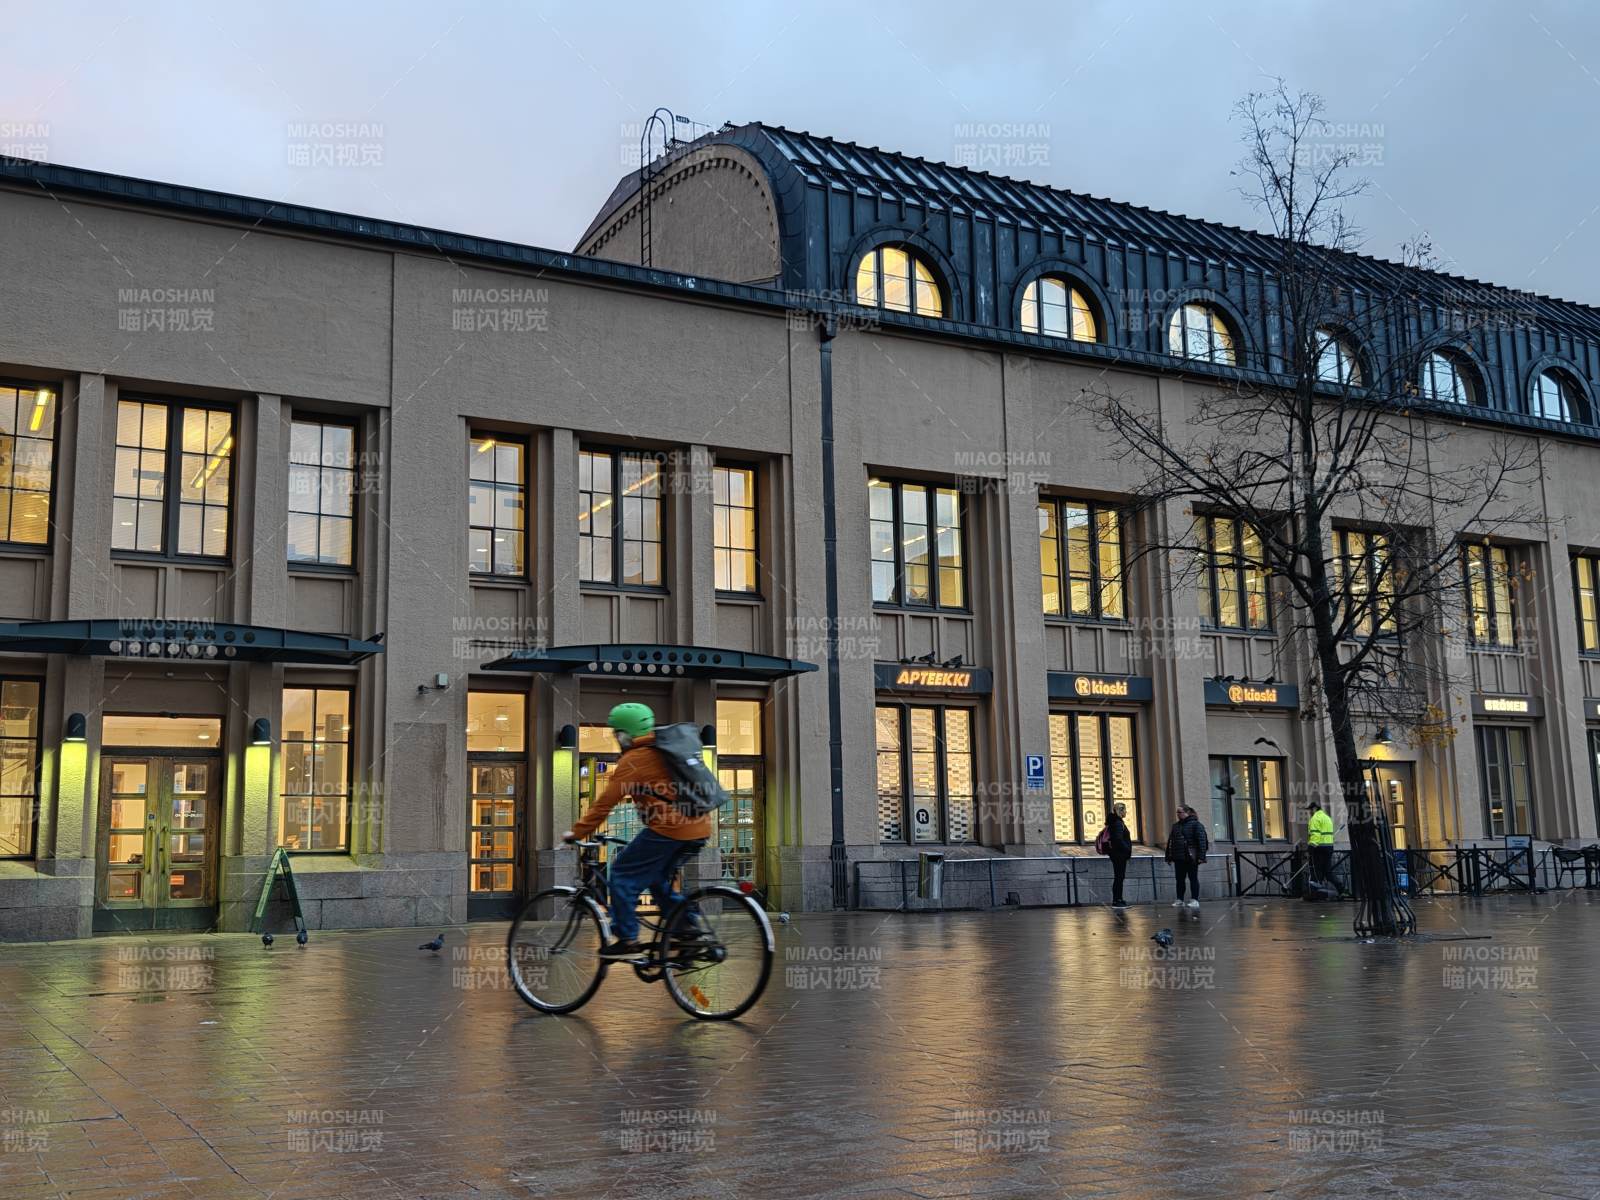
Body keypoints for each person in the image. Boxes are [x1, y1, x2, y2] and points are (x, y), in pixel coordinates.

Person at [562, 702, 710, 959]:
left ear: (624, 734)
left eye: (616, 733)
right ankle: (687, 931)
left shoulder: (634, 760)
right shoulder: (665, 750)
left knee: (621, 872)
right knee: (656, 880)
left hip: (669, 828)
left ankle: (627, 938)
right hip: (699, 827)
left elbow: (603, 805)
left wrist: (576, 833)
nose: (616, 738)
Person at [1165, 805, 1208, 910]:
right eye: (1177, 812)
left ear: (1187, 813)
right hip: (1179, 857)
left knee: (1193, 878)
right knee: (1179, 879)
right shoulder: (1175, 826)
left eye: (1180, 812)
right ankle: (1180, 899)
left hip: (1191, 857)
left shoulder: (1196, 825)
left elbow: (1202, 842)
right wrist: (1168, 856)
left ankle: (1195, 900)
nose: (1178, 814)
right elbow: (1170, 842)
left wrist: (1201, 857)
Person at [1106, 802, 1134, 909]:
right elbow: (1118, 839)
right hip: (1119, 855)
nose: (1126, 812)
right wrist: (1127, 849)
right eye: (1124, 810)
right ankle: (1117, 900)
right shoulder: (1118, 823)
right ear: (1120, 811)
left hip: (1117, 854)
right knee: (1119, 877)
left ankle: (1119, 899)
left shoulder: (1115, 822)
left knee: (1119, 877)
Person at [1307, 799, 1336, 888]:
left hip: (1319, 848)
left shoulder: (1315, 818)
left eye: (1311, 810)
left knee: (1317, 871)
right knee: (1327, 871)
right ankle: (1341, 889)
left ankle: (1318, 890)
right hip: (1329, 847)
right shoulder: (1327, 818)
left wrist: (1311, 847)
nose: (1310, 812)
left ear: (1315, 809)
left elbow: (1315, 834)